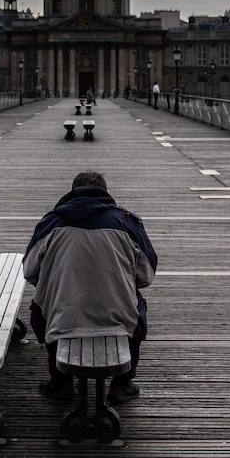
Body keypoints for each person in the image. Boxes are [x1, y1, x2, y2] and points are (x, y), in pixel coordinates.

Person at [23, 170, 157, 405]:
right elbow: (146, 276)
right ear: (105, 193)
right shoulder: (126, 222)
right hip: (117, 316)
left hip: (61, 316)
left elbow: (28, 271)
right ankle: (122, 384)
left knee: (44, 306)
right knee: (137, 308)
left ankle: (60, 381)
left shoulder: (51, 222)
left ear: (72, 193)